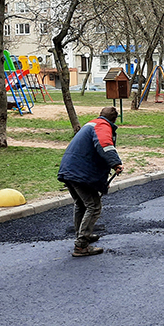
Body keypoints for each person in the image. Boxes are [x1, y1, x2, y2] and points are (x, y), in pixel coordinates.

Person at [57, 106, 124, 257]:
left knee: (81, 204)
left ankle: (82, 235)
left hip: (69, 169)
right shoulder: (103, 126)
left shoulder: (92, 123)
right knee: (93, 206)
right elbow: (104, 145)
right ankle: (81, 245)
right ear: (114, 119)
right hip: (79, 172)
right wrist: (116, 163)